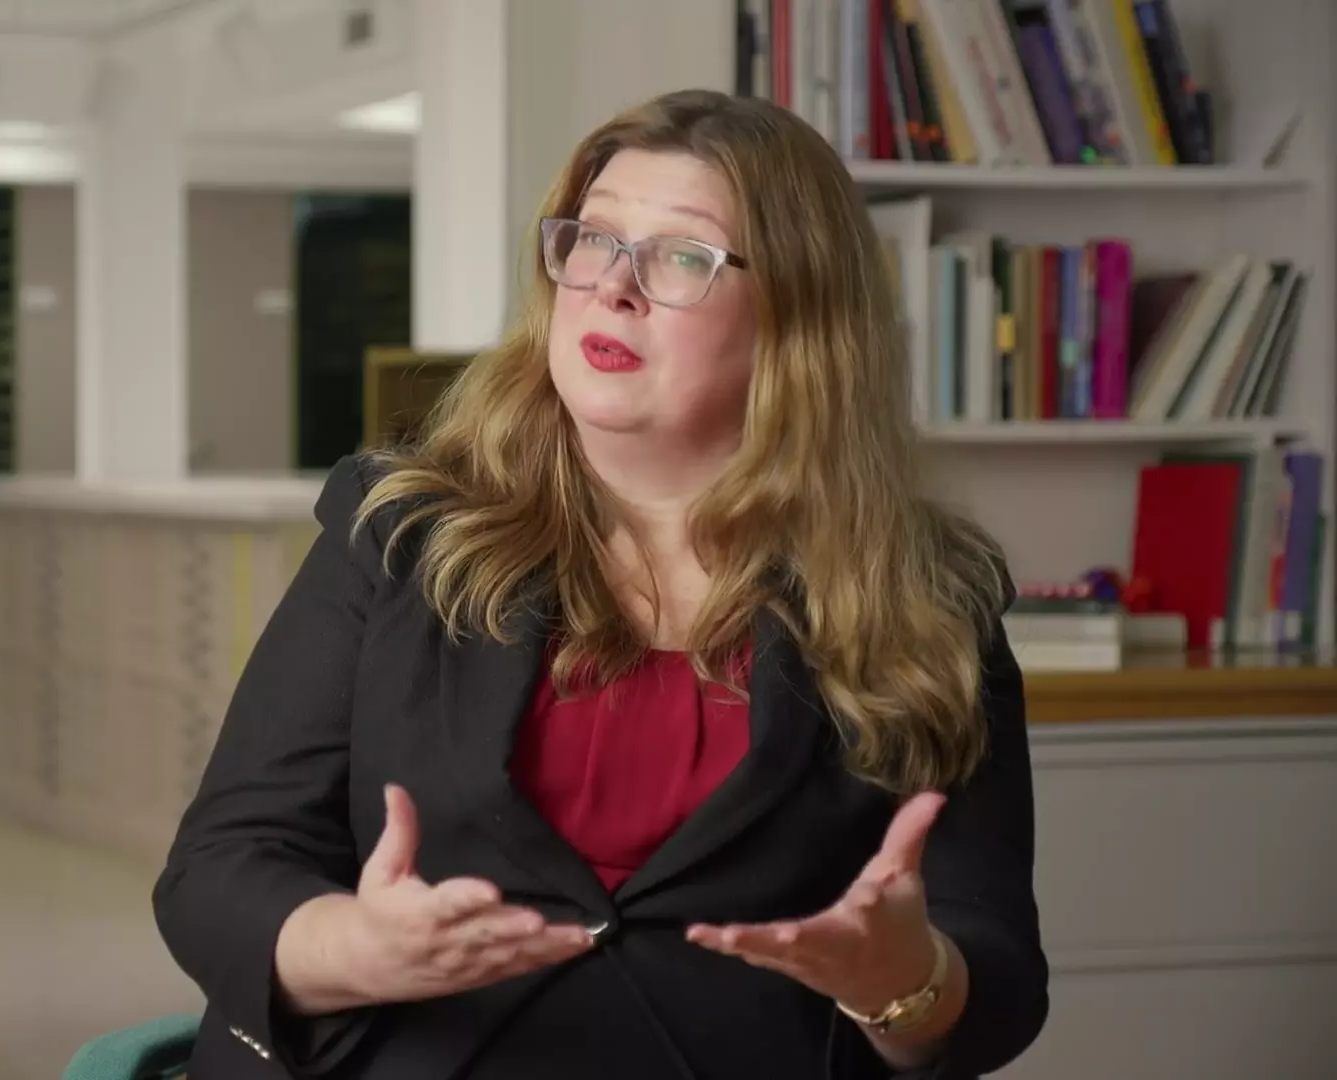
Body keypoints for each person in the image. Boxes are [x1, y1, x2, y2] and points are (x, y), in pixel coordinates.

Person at [152, 87, 1047, 1080]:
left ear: (800, 318)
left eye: (682, 257)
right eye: (594, 239)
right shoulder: (397, 530)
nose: (613, 286)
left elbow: (996, 977)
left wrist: (904, 980)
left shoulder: (928, 593)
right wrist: (354, 951)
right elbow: (219, 869)